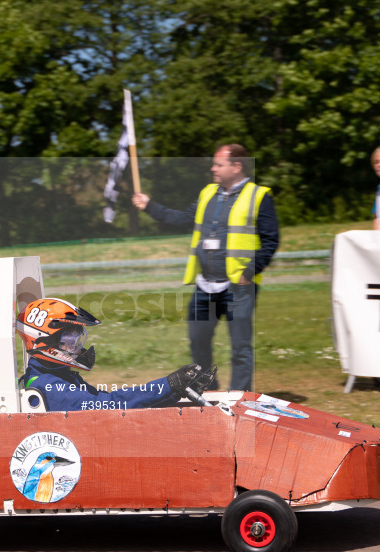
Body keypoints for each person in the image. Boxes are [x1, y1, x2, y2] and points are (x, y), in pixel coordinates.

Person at [131, 144, 279, 391]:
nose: (213, 168)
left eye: (218, 164)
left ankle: (239, 397)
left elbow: (271, 240)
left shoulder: (259, 196)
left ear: (236, 166)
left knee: (240, 347)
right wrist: (149, 206)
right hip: (204, 284)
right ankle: (206, 388)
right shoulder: (208, 193)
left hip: (238, 286)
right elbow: (181, 219)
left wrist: (249, 272)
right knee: (198, 340)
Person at [16, 297, 215, 412]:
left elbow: (111, 398)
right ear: (43, 338)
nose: (77, 342)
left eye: (79, 335)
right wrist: (167, 385)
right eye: (70, 335)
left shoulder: (59, 375)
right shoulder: (49, 386)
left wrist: (173, 392)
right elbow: (110, 407)